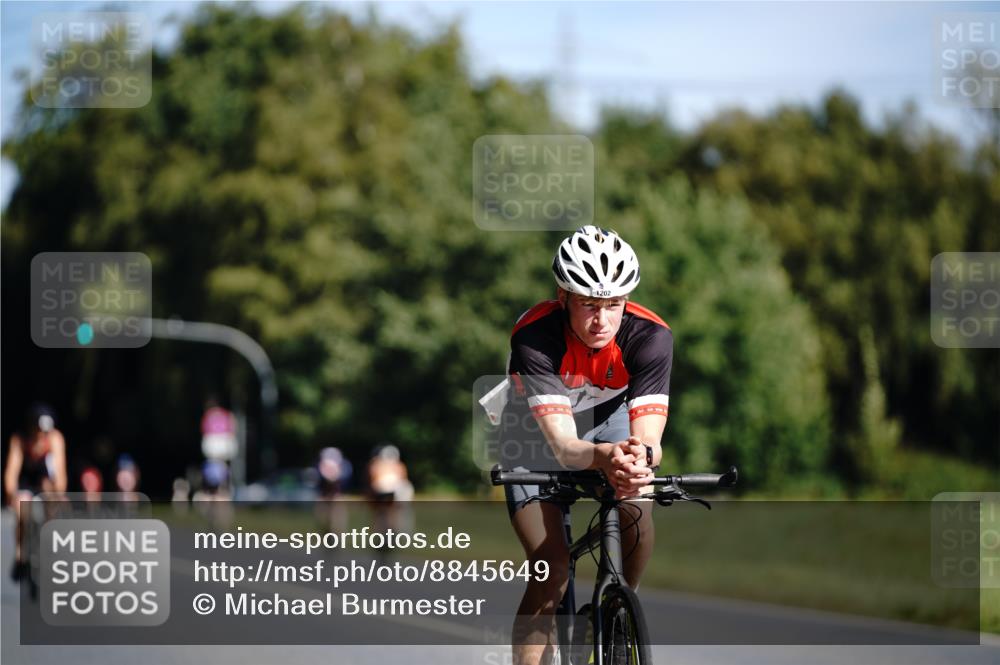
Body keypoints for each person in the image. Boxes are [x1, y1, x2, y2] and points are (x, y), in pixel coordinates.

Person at [499, 226, 671, 665]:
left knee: (637, 502)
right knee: (552, 569)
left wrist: (640, 460)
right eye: (589, 305)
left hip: (607, 420)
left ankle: (618, 606)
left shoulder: (650, 337)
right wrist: (602, 458)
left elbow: (649, 440)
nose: (602, 320)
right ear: (563, 297)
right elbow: (562, 445)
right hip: (531, 432)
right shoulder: (534, 337)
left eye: (613, 305)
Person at [3, 403, 68, 581]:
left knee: (53, 509)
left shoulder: (55, 439)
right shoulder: (19, 439)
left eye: (45, 431)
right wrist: (11, 494)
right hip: (26, 483)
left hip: (46, 484)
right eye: (38, 430)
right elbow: (12, 471)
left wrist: (56, 491)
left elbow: (60, 475)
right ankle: (20, 555)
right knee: (22, 509)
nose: (41, 435)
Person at [316, 447, 352, 535]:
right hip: (324, 496)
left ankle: (336, 537)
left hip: (336, 496)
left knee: (337, 519)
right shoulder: (319, 467)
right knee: (323, 519)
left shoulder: (343, 467)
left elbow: (344, 483)